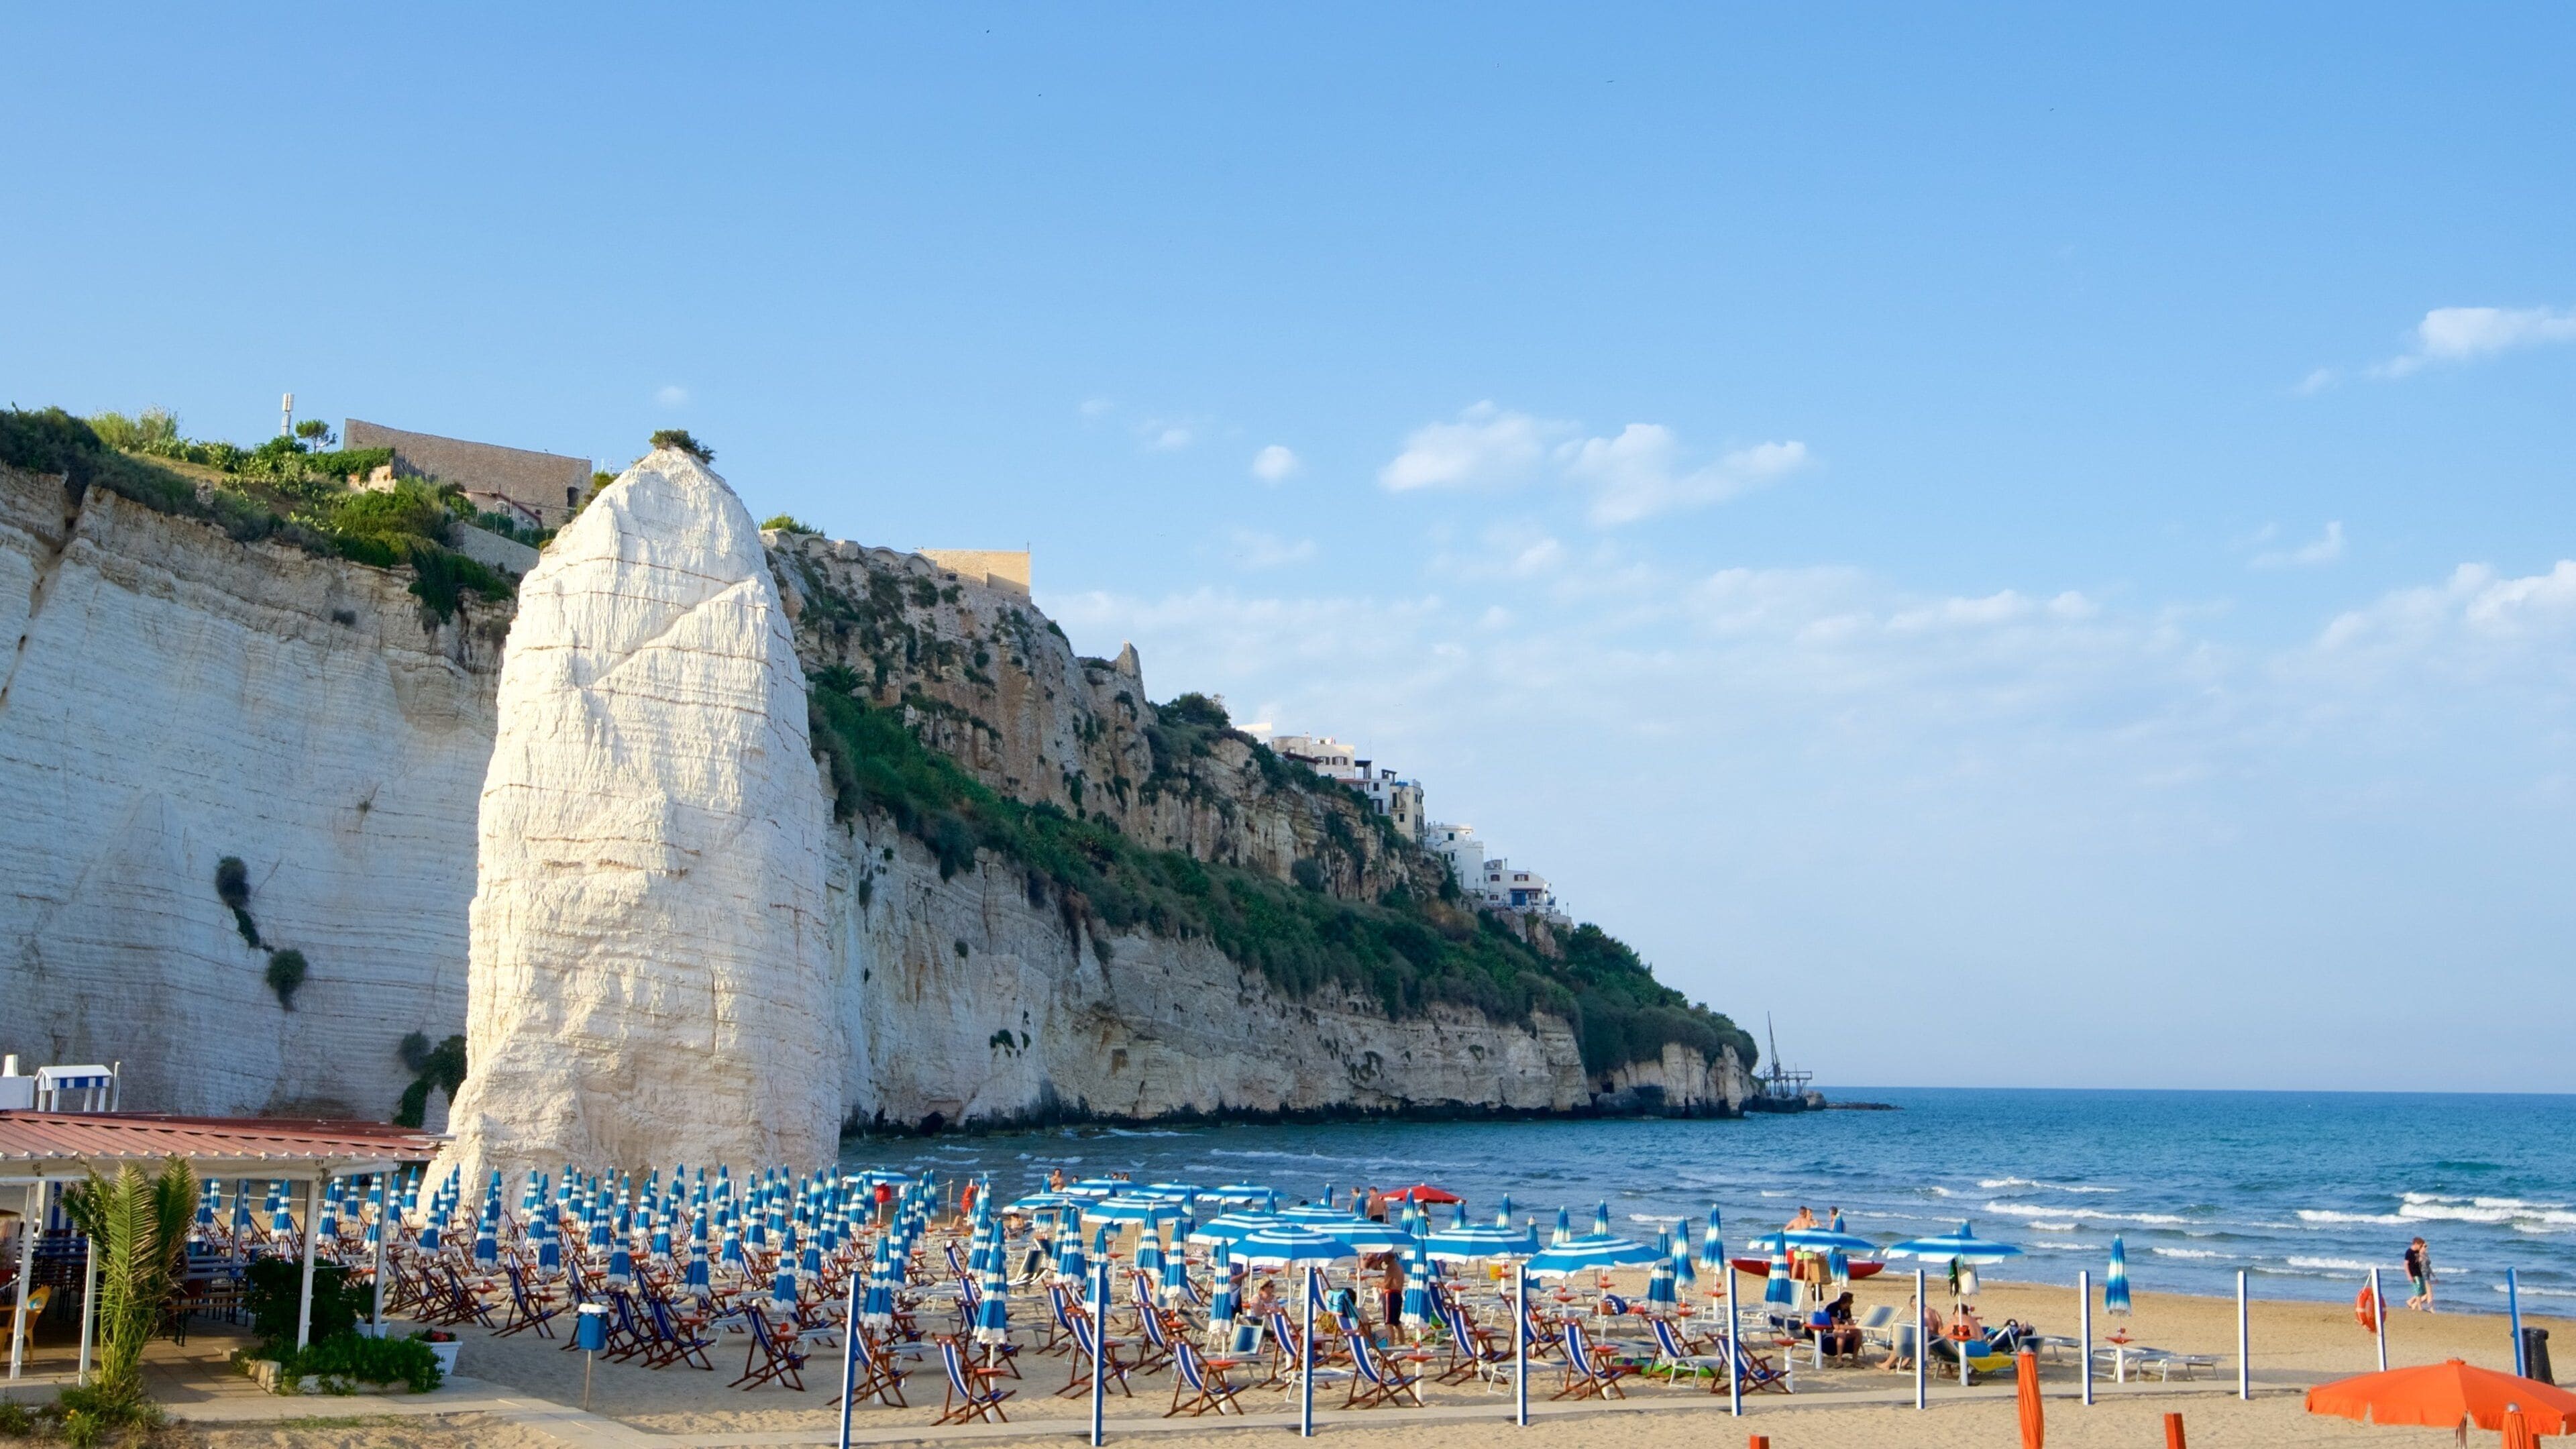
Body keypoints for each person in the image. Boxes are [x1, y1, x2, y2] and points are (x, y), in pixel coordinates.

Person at [1879, 1295, 1937, 1370]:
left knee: (1900, 1343)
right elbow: (1938, 1329)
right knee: (1909, 1341)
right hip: (1934, 1342)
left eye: (1914, 1307)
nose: (1914, 1309)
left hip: (1925, 1345)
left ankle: (1887, 1364)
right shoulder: (1934, 1312)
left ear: (1916, 1304)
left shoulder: (1923, 1314)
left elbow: (1926, 1330)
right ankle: (1903, 1363)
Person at [2404, 1237, 2434, 1311]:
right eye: (2420, 1245)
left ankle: (2410, 1302)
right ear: (2416, 1244)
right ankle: (2419, 1307)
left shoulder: (2418, 1252)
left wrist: (2424, 1248)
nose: (2421, 1247)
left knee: (2423, 1293)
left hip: (2420, 1274)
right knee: (2418, 1291)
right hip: (2414, 1274)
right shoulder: (2409, 1252)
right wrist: (2409, 1276)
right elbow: (2405, 1264)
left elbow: (2421, 1261)